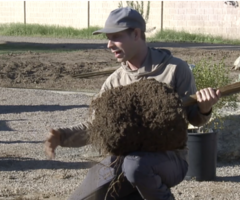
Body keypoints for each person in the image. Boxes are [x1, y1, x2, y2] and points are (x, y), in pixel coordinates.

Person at [44, 7, 221, 200]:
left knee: (135, 166)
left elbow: (194, 118)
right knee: (89, 193)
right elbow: (96, 127)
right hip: (125, 159)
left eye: (115, 37)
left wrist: (205, 108)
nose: (109, 45)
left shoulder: (174, 69)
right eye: (107, 39)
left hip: (170, 159)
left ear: (136, 34)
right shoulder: (114, 82)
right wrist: (62, 136)